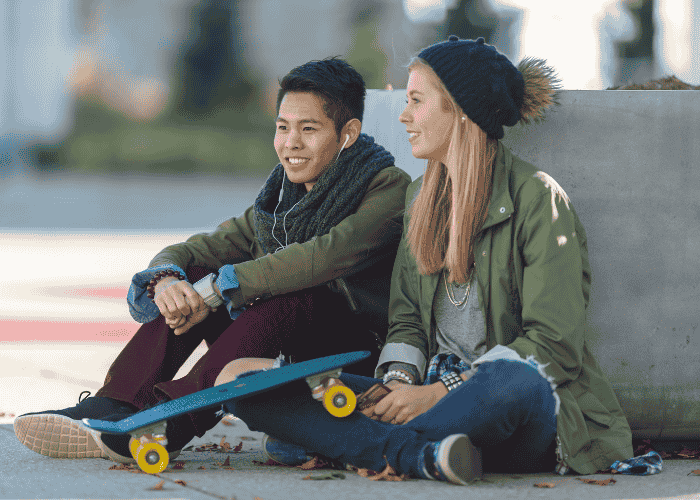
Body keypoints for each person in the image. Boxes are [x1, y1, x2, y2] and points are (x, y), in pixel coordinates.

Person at [212, 37, 634, 485]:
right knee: (241, 378)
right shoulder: (420, 198)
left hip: (510, 406)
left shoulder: (538, 199)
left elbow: (553, 345)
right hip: (427, 390)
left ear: (462, 111)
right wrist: (399, 384)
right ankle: (422, 454)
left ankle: (355, 442)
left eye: (416, 101)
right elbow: (407, 321)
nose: (403, 115)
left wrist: (437, 393)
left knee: (513, 380)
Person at [14, 57, 410, 464]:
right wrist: (168, 280)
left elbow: (321, 259)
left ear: (348, 134)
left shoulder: (386, 188)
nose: (290, 143)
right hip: (290, 339)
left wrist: (219, 289)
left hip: (359, 351)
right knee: (198, 274)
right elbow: (196, 249)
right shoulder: (278, 202)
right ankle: (117, 403)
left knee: (282, 291)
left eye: (308, 129)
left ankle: (172, 419)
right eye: (282, 127)